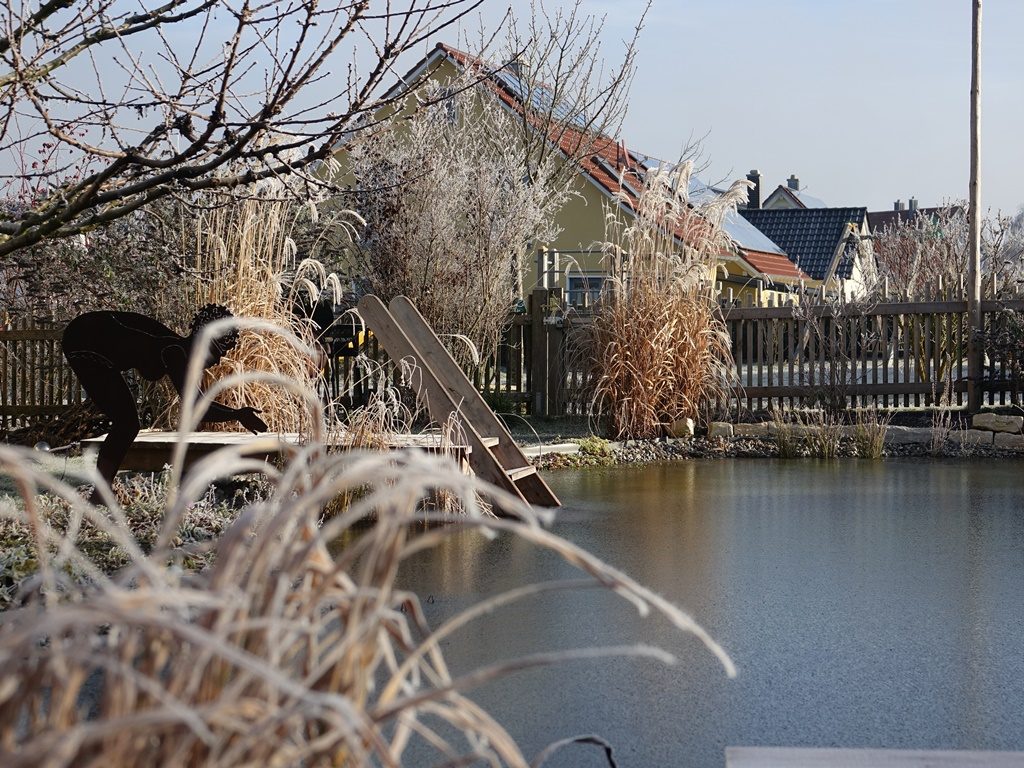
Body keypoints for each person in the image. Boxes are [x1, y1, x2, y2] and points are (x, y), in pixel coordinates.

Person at [61, 304, 268, 500]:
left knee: (127, 423)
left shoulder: (174, 347)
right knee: (127, 424)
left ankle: (102, 491)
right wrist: (237, 414)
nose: (217, 361)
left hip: (86, 336)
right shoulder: (175, 351)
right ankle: (101, 494)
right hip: (84, 340)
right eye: (217, 352)